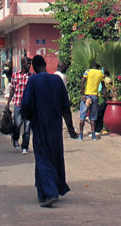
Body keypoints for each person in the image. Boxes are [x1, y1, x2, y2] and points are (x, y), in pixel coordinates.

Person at [21, 54, 71, 207]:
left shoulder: (33, 80)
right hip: (55, 127)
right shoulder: (57, 80)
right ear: (45, 65)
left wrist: (29, 119)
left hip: (41, 126)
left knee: (43, 159)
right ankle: (42, 191)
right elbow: (66, 107)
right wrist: (71, 129)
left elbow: (26, 105)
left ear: (34, 68)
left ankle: (50, 192)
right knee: (54, 158)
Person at [6, 57, 32, 154]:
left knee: (27, 127)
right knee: (17, 124)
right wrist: (8, 103)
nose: (29, 65)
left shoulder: (31, 76)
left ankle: (25, 146)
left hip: (29, 106)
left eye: (30, 64)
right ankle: (15, 138)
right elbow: (12, 89)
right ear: (23, 64)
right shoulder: (15, 75)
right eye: (27, 63)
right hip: (18, 104)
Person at [78, 62, 105, 141]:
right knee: (93, 117)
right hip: (95, 96)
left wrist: (83, 94)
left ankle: (81, 136)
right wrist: (106, 97)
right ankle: (93, 136)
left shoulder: (88, 71)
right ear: (99, 67)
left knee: (82, 116)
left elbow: (82, 82)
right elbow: (103, 86)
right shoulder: (100, 73)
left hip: (87, 96)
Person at [54, 60, 78, 139]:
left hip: (56, 100)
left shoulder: (54, 75)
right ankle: (72, 134)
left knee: (57, 118)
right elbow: (64, 89)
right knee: (68, 118)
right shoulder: (62, 76)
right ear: (62, 67)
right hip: (63, 100)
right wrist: (68, 100)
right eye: (65, 68)